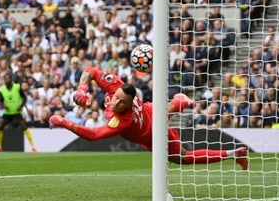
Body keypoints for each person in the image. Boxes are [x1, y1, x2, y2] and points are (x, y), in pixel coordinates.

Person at [49, 67, 249, 170]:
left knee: (183, 158)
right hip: (151, 111)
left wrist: (65, 122)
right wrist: (82, 89)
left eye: (122, 103)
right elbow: (90, 71)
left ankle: (235, 153)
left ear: (129, 104)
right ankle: (180, 102)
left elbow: (93, 135)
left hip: (155, 133)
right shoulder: (116, 85)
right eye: (116, 98)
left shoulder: (122, 121)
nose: (116, 103)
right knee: (163, 111)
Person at [0, 73, 37, 153]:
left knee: (24, 127)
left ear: (11, 79)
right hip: (8, 112)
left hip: (17, 112)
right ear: (4, 80)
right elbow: (0, 101)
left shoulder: (17, 87)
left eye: (8, 78)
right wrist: (3, 105)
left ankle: (33, 147)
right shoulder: (2, 89)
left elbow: (24, 98)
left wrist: (21, 106)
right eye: (6, 79)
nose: (7, 80)